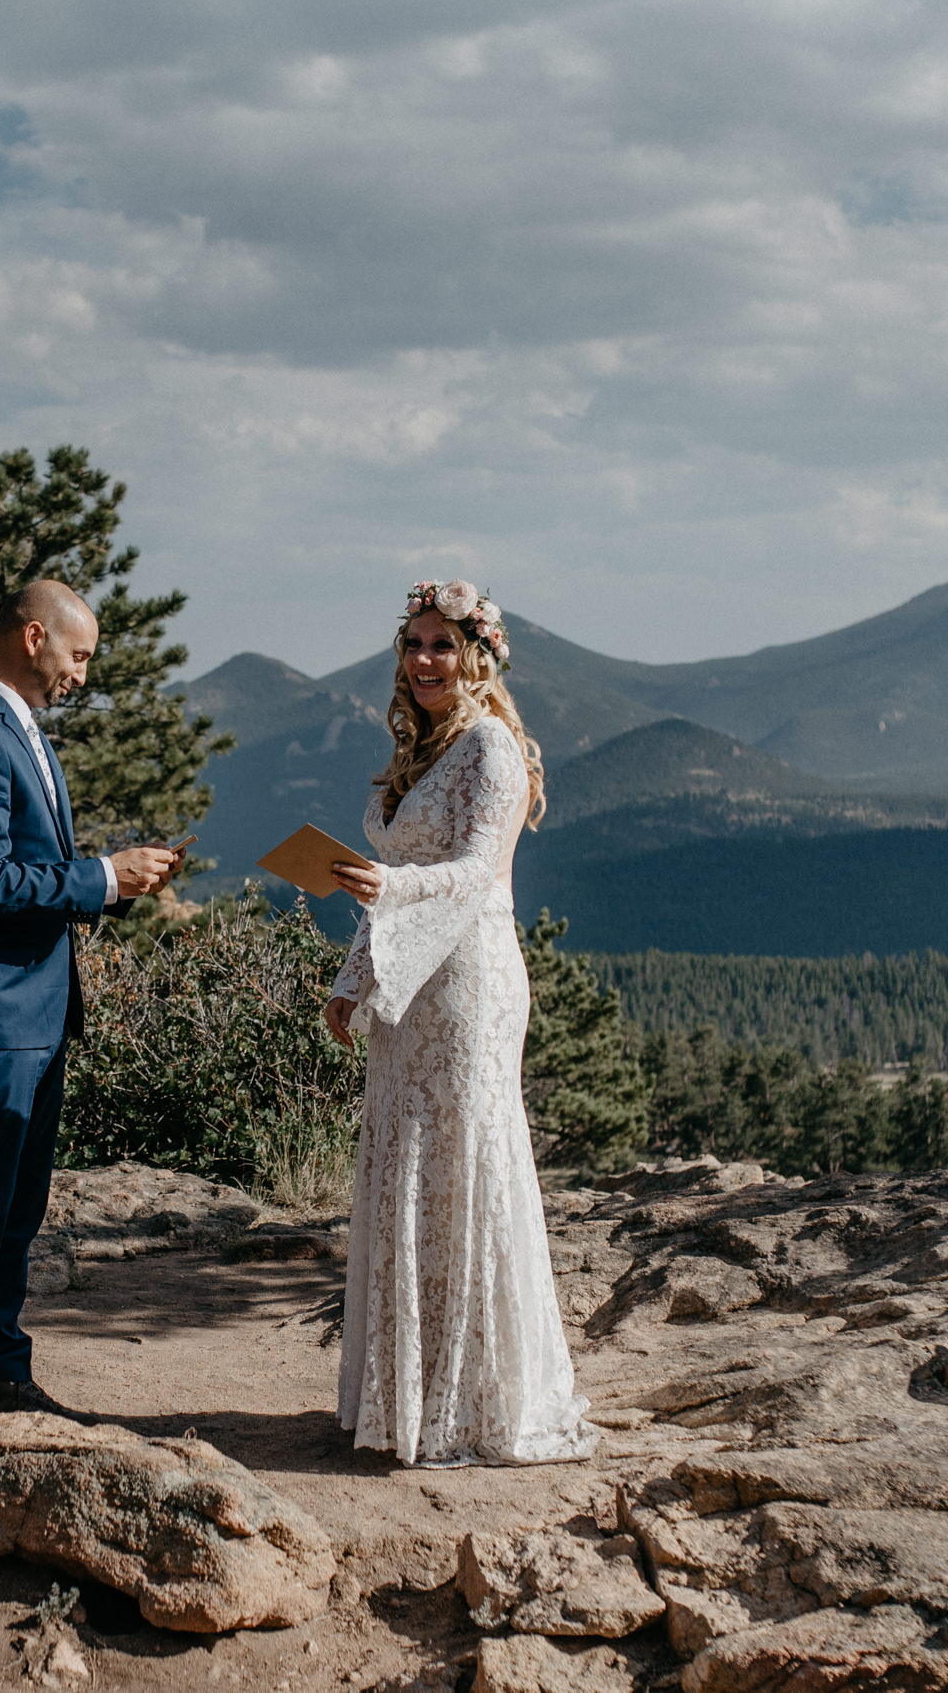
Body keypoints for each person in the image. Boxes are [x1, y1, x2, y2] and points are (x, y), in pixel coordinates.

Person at [321, 580, 599, 1468]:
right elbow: (400, 874)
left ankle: (476, 1401)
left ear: (477, 656)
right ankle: (407, 1393)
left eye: (443, 645)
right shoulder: (419, 749)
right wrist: (352, 976)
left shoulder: (491, 748)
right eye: (414, 644)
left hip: (469, 985)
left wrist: (388, 885)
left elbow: (479, 872)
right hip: (409, 982)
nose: (425, 661)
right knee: (408, 1164)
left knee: (461, 1162)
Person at [0, 578, 183, 1424]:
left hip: (32, 1013)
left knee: (17, 1210)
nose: (82, 676)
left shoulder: (15, 730)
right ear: (32, 638)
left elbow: (21, 869)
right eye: (78, 655)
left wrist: (119, 882)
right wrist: (101, 877)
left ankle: (2, 1366)